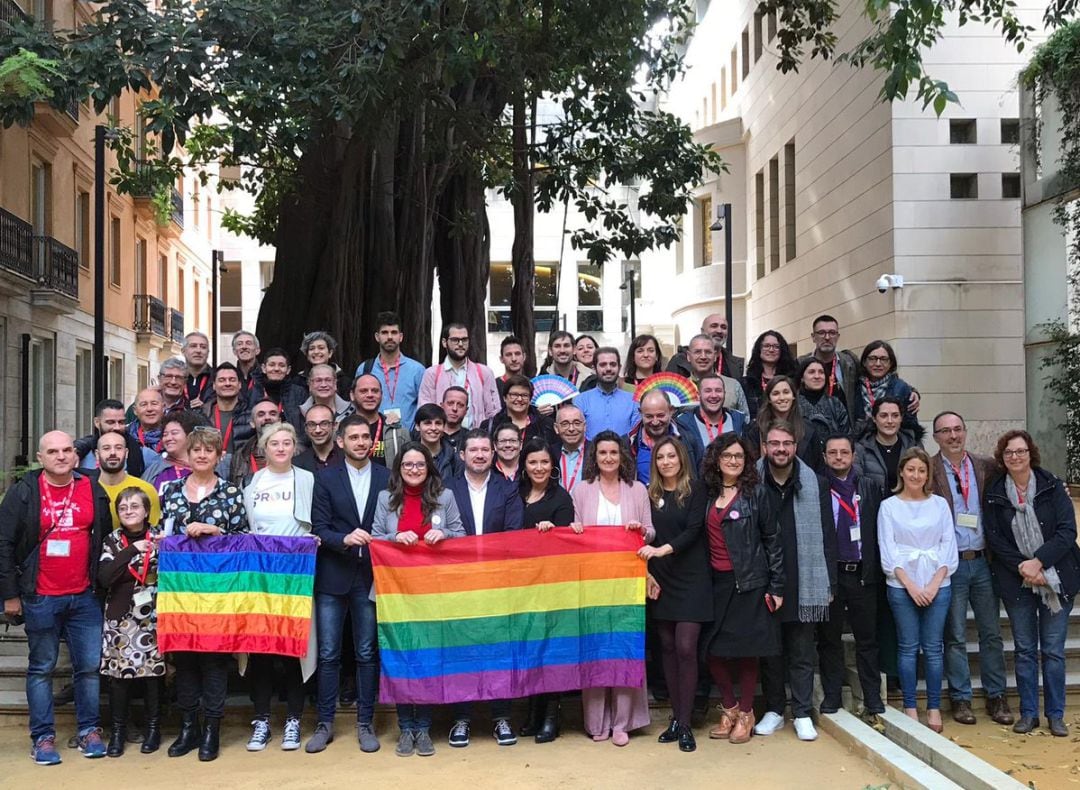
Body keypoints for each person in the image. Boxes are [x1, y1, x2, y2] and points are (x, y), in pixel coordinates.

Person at [0, 431, 112, 764]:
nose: (61, 456)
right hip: (40, 596)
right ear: (40, 457)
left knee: (89, 668)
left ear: (76, 456)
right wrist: (9, 595)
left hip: (85, 596)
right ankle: (43, 738)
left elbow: (103, 535)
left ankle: (89, 730)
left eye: (67, 450)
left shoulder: (92, 488)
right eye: (53, 451)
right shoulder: (23, 492)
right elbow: (3, 545)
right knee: (41, 669)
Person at [372, 443, 466, 757]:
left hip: (432, 593)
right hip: (396, 593)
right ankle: (405, 728)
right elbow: (373, 538)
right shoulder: (386, 499)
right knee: (401, 659)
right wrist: (393, 537)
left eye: (420, 465)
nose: (414, 470)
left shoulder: (446, 497)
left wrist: (447, 536)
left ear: (429, 467)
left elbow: (461, 533)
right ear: (399, 468)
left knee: (426, 660)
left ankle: (423, 729)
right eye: (408, 465)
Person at [159, 427, 247, 761]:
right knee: (185, 660)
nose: (201, 454)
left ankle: (211, 729)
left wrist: (216, 530)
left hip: (219, 593)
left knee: (213, 661)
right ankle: (187, 728)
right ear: (187, 453)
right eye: (195, 449)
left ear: (219, 456)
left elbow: (243, 540)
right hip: (180, 593)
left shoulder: (230, 493)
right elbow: (163, 534)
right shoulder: (171, 492)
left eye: (208, 450)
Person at [984, 430, 1080, 737]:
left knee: (1052, 650)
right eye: (1009, 452)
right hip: (1017, 582)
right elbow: (995, 538)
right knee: (1024, 650)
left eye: (1020, 451)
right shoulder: (995, 491)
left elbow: (1067, 531)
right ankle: (1028, 713)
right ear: (1002, 457)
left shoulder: (1052, 486)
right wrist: (1024, 568)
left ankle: (1055, 715)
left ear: (1030, 453)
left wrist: (1039, 562)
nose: (1015, 457)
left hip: (1056, 578)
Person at [306, 416, 392, 754]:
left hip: (372, 576)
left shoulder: (387, 476)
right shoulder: (324, 479)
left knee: (367, 652)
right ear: (339, 441)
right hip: (333, 574)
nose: (360, 442)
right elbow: (318, 527)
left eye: (365, 436)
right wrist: (343, 538)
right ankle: (325, 723)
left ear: (372, 441)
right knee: (328, 653)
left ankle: (365, 723)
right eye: (353, 437)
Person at [568, 431, 654, 745]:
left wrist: (641, 530)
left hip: (626, 584)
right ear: (594, 456)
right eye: (602, 453)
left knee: (624, 651)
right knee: (595, 651)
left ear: (622, 457)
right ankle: (596, 723)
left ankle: (622, 723)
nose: (608, 458)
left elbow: (651, 531)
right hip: (592, 585)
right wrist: (575, 529)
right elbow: (574, 530)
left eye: (613, 453)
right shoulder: (581, 490)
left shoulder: (637, 489)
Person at [930, 412, 1014, 726]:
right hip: (950, 565)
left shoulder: (986, 467)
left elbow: (1022, 474)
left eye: (957, 429)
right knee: (954, 635)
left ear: (965, 432)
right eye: (945, 431)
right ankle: (961, 698)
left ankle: (997, 696)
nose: (953, 436)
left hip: (982, 561)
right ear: (935, 436)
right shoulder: (929, 470)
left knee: (991, 633)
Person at [698, 433, 783, 745]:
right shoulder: (706, 493)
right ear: (717, 460)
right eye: (727, 456)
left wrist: (777, 585)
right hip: (715, 583)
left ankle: (747, 713)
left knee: (748, 653)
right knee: (713, 651)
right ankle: (730, 708)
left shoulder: (756, 493)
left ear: (746, 461)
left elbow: (773, 540)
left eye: (739, 456)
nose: (733, 461)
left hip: (749, 582)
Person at [754, 421, 836, 742]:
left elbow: (828, 534)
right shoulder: (752, 482)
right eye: (774, 444)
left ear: (796, 446)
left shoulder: (815, 482)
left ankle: (802, 712)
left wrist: (827, 581)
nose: (781, 449)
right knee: (771, 651)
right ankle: (775, 710)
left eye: (787, 443)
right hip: (766, 580)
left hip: (805, 578)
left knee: (802, 651)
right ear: (764, 447)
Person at [444, 429, 524, 747]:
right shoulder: (447, 489)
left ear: (493, 454)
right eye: (473, 449)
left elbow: (514, 535)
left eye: (484, 450)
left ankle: (501, 717)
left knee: (498, 651)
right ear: (462, 455)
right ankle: (461, 719)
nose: (479, 454)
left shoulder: (507, 490)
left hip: (496, 583)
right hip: (458, 584)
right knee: (462, 650)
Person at [242, 423, 317, 752]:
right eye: (275, 443)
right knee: (258, 649)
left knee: (292, 647)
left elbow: (317, 518)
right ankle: (261, 720)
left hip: (294, 575)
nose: (282, 448)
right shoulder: (252, 482)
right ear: (264, 447)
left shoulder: (307, 479)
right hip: (259, 577)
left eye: (287, 442)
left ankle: (293, 720)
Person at [638, 437, 711, 752]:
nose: (666, 461)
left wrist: (660, 551)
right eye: (660, 457)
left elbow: (694, 531)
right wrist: (649, 567)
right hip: (661, 578)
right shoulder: (650, 494)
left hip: (692, 578)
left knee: (685, 647)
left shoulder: (695, 490)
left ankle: (686, 723)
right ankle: (675, 718)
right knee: (666, 647)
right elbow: (645, 531)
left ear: (681, 458)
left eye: (671, 456)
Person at [879, 447, 957, 733]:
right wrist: (911, 586)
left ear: (928, 474)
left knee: (934, 649)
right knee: (908, 647)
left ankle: (933, 706)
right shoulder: (889, 506)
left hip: (938, 583)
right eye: (910, 469)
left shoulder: (939, 505)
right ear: (902, 472)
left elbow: (948, 548)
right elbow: (888, 551)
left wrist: (934, 584)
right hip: (902, 586)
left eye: (921, 470)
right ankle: (910, 706)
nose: (915, 475)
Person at [816, 434, 886, 723]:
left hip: (862, 574)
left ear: (853, 455)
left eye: (844, 452)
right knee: (829, 639)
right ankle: (832, 694)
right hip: (832, 574)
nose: (839, 457)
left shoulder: (870, 487)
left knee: (867, 639)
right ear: (825, 457)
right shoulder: (818, 489)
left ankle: (872, 696)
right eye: (832, 453)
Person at [98, 487, 165, 757]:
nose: (129, 512)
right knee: (119, 678)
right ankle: (118, 732)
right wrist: (131, 551)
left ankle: (153, 729)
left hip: (154, 617)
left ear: (146, 511)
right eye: (123, 508)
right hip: (120, 618)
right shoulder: (112, 541)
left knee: (153, 677)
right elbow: (105, 577)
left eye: (134, 507)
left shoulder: (160, 536)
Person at [518, 439, 574, 743]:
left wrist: (550, 534)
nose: (539, 468)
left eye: (544, 462)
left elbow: (565, 544)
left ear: (552, 466)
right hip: (520, 586)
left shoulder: (561, 499)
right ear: (524, 466)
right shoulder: (515, 494)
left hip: (551, 585)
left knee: (550, 652)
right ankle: (532, 713)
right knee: (529, 650)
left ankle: (552, 717)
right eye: (533, 462)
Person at [418, 323, 501, 428]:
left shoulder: (484, 372)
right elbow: (425, 410)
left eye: (464, 340)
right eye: (455, 340)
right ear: (444, 342)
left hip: (476, 438)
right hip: (442, 438)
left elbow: (494, 412)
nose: (461, 344)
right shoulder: (432, 374)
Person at [354, 312, 427, 430]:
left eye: (394, 332)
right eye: (384, 332)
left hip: (408, 439)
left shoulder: (417, 370)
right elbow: (357, 403)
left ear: (401, 337)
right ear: (377, 337)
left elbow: (424, 407)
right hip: (374, 438)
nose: (389, 337)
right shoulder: (365, 369)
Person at [744, 375, 824, 472]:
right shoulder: (756, 429)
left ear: (794, 396)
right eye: (776, 393)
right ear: (769, 399)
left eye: (786, 392)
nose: (782, 398)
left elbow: (819, 467)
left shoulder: (808, 429)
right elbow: (750, 467)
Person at [629, 391, 704, 484]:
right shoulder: (629, 443)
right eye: (649, 416)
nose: (655, 422)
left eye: (660, 415)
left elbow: (701, 477)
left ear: (671, 411)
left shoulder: (687, 438)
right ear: (640, 413)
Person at [798, 315, 860, 425]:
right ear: (813, 337)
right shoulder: (800, 364)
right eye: (821, 333)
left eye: (832, 333)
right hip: (809, 431)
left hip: (843, 431)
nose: (827, 337)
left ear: (838, 336)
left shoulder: (849, 364)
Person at [94, 430, 162, 529]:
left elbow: (152, 534)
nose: (113, 453)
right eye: (106, 448)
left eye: (118, 448)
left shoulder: (146, 490)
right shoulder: (87, 488)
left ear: (126, 453)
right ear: (97, 454)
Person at [853, 340, 921, 438]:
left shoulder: (901, 389)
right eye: (872, 358)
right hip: (861, 445)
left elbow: (911, 426)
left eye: (884, 359)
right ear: (864, 362)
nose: (878, 363)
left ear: (891, 363)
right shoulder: (854, 387)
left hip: (894, 444)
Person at [855, 397, 921, 493]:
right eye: (884, 416)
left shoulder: (913, 445)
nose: (890, 421)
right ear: (874, 418)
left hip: (909, 504)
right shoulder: (860, 448)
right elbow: (858, 485)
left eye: (895, 415)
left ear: (901, 418)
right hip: (874, 505)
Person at [74, 398, 153, 478]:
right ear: (97, 422)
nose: (117, 427)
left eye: (121, 422)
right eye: (110, 422)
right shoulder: (81, 455)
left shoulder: (145, 455)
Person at [574, 348, 639, 440]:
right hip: (590, 453)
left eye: (612, 364)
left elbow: (635, 436)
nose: (608, 369)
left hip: (624, 453)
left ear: (619, 367)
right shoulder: (580, 400)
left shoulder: (633, 400)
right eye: (603, 365)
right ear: (594, 368)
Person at [346, 374, 410, 468]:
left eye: (375, 391)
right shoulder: (341, 430)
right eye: (363, 391)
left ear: (381, 395)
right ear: (352, 395)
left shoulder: (398, 432)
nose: (370, 395)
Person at [678, 334, 749, 417]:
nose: (703, 356)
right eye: (697, 352)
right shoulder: (679, 390)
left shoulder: (733, 386)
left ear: (715, 356)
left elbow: (745, 422)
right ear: (689, 356)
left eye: (708, 352)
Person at [481, 374, 557, 449]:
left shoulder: (546, 425)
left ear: (530, 399)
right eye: (514, 395)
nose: (519, 399)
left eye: (524, 395)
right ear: (504, 398)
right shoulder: (490, 426)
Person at [675, 373, 747, 450]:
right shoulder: (684, 424)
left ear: (724, 394)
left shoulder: (738, 421)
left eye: (718, 390)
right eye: (708, 391)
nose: (713, 395)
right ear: (699, 395)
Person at [668, 313, 745, 380]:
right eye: (714, 326)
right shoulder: (679, 362)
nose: (719, 331)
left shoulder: (736, 365)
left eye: (723, 327)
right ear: (702, 331)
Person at [742, 331, 799, 420]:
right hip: (756, 429)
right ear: (759, 349)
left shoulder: (792, 379)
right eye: (767, 346)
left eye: (776, 347)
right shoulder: (747, 382)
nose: (771, 350)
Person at [228, 399, 283, 488]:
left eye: (272, 414)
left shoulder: (296, 452)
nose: (267, 418)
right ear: (252, 423)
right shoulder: (240, 455)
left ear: (279, 421)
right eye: (261, 415)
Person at [251, 347, 308, 433]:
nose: (276, 369)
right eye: (272, 365)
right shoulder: (252, 393)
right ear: (263, 368)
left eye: (281, 365)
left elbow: (306, 425)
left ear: (288, 370)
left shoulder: (299, 393)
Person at [200, 362, 253, 454]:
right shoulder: (201, 415)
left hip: (240, 467)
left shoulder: (250, 415)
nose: (227, 383)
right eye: (222, 380)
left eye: (232, 379)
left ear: (239, 385)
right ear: (214, 385)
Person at [797, 357, 851, 437]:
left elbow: (846, 435)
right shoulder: (793, 403)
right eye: (811, 372)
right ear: (802, 378)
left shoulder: (835, 404)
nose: (817, 376)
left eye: (821, 372)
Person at [413, 403, 463, 480]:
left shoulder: (454, 459)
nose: (433, 428)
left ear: (444, 427)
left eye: (438, 423)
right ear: (417, 426)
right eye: (427, 423)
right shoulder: (408, 456)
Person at [300, 330, 352, 400]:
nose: (316, 352)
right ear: (307, 354)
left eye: (321, 348)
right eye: (311, 349)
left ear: (330, 353)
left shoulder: (344, 381)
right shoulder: (298, 381)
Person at [294, 404, 343, 472]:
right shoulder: (297, 464)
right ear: (306, 428)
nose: (318, 430)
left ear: (334, 426)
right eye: (312, 424)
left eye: (324, 424)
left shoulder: (347, 457)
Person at [553, 404, 588, 493]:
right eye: (565, 424)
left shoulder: (596, 452)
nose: (571, 429)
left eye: (577, 423)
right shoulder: (550, 453)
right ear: (556, 428)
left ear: (584, 426)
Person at [182, 331, 214, 409]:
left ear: (208, 352)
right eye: (193, 346)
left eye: (203, 347)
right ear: (183, 351)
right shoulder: (175, 378)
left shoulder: (217, 378)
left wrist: (206, 408)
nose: (198, 351)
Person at [128, 387, 166, 453]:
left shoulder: (173, 436)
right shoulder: (126, 436)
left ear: (163, 407)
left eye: (154, 403)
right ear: (135, 410)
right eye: (144, 404)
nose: (149, 409)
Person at [232, 330, 262, 395]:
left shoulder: (265, 376)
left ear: (257, 350)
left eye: (248, 343)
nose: (244, 347)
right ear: (234, 351)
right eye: (239, 344)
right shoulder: (230, 378)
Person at [440, 386, 469, 452]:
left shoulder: (471, 439)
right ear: (442, 406)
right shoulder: (429, 435)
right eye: (450, 403)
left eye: (460, 405)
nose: (454, 408)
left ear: (466, 410)